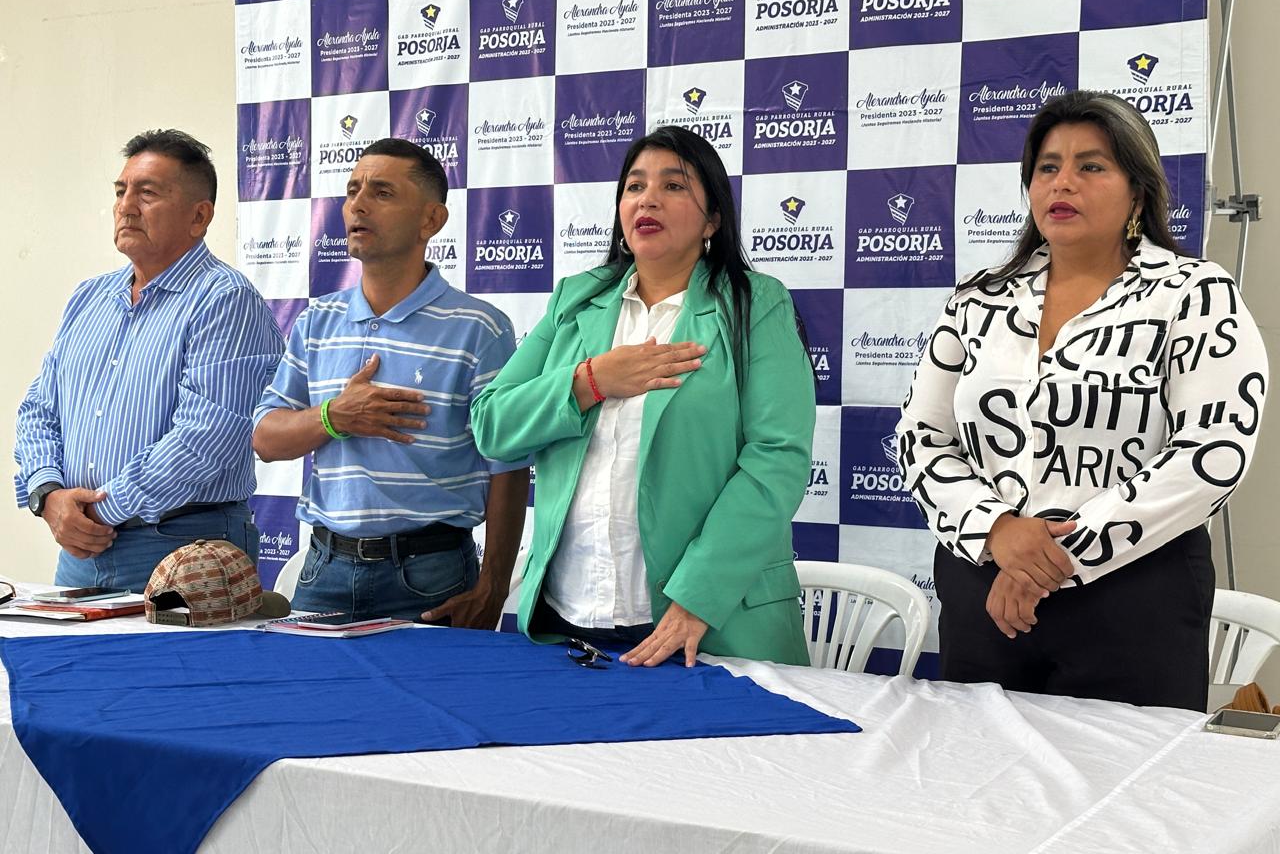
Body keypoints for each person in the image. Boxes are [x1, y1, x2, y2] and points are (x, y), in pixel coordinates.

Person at [897, 90, 1267, 710]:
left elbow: (1211, 454)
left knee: (1127, 774)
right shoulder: (977, 299)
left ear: (1138, 192)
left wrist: (1055, 557)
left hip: (1132, 594)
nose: (1062, 182)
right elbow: (920, 437)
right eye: (1048, 167)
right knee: (976, 766)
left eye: (1091, 166)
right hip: (986, 589)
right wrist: (998, 531)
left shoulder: (1194, 294)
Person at [471, 126, 815, 668]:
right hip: (569, 615)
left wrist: (698, 596)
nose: (647, 199)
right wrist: (591, 381)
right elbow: (492, 425)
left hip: (703, 622)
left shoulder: (755, 303)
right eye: (635, 186)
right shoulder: (574, 299)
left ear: (713, 219)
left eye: (673, 186)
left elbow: (777, 459)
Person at [253, 138, 529, 627]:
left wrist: (493, 586)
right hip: (324, 568)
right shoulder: (317, 321)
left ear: (431, 220)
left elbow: (507, 465)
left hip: (433, 574)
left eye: (381, 193)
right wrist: (334, 417)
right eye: (352, 190)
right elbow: (266, 440)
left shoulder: (479, 327)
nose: (357, 205)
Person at [14, 130, 284, 592]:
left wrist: (99, 509)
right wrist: (48, 494)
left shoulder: (225, 299)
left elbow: (206, 439)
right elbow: (39, 409)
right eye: (121, 191)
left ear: (199, 216)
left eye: (147, 193)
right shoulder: (89, 297)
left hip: (185, 547)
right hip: (81, 550)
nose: (126, 206)